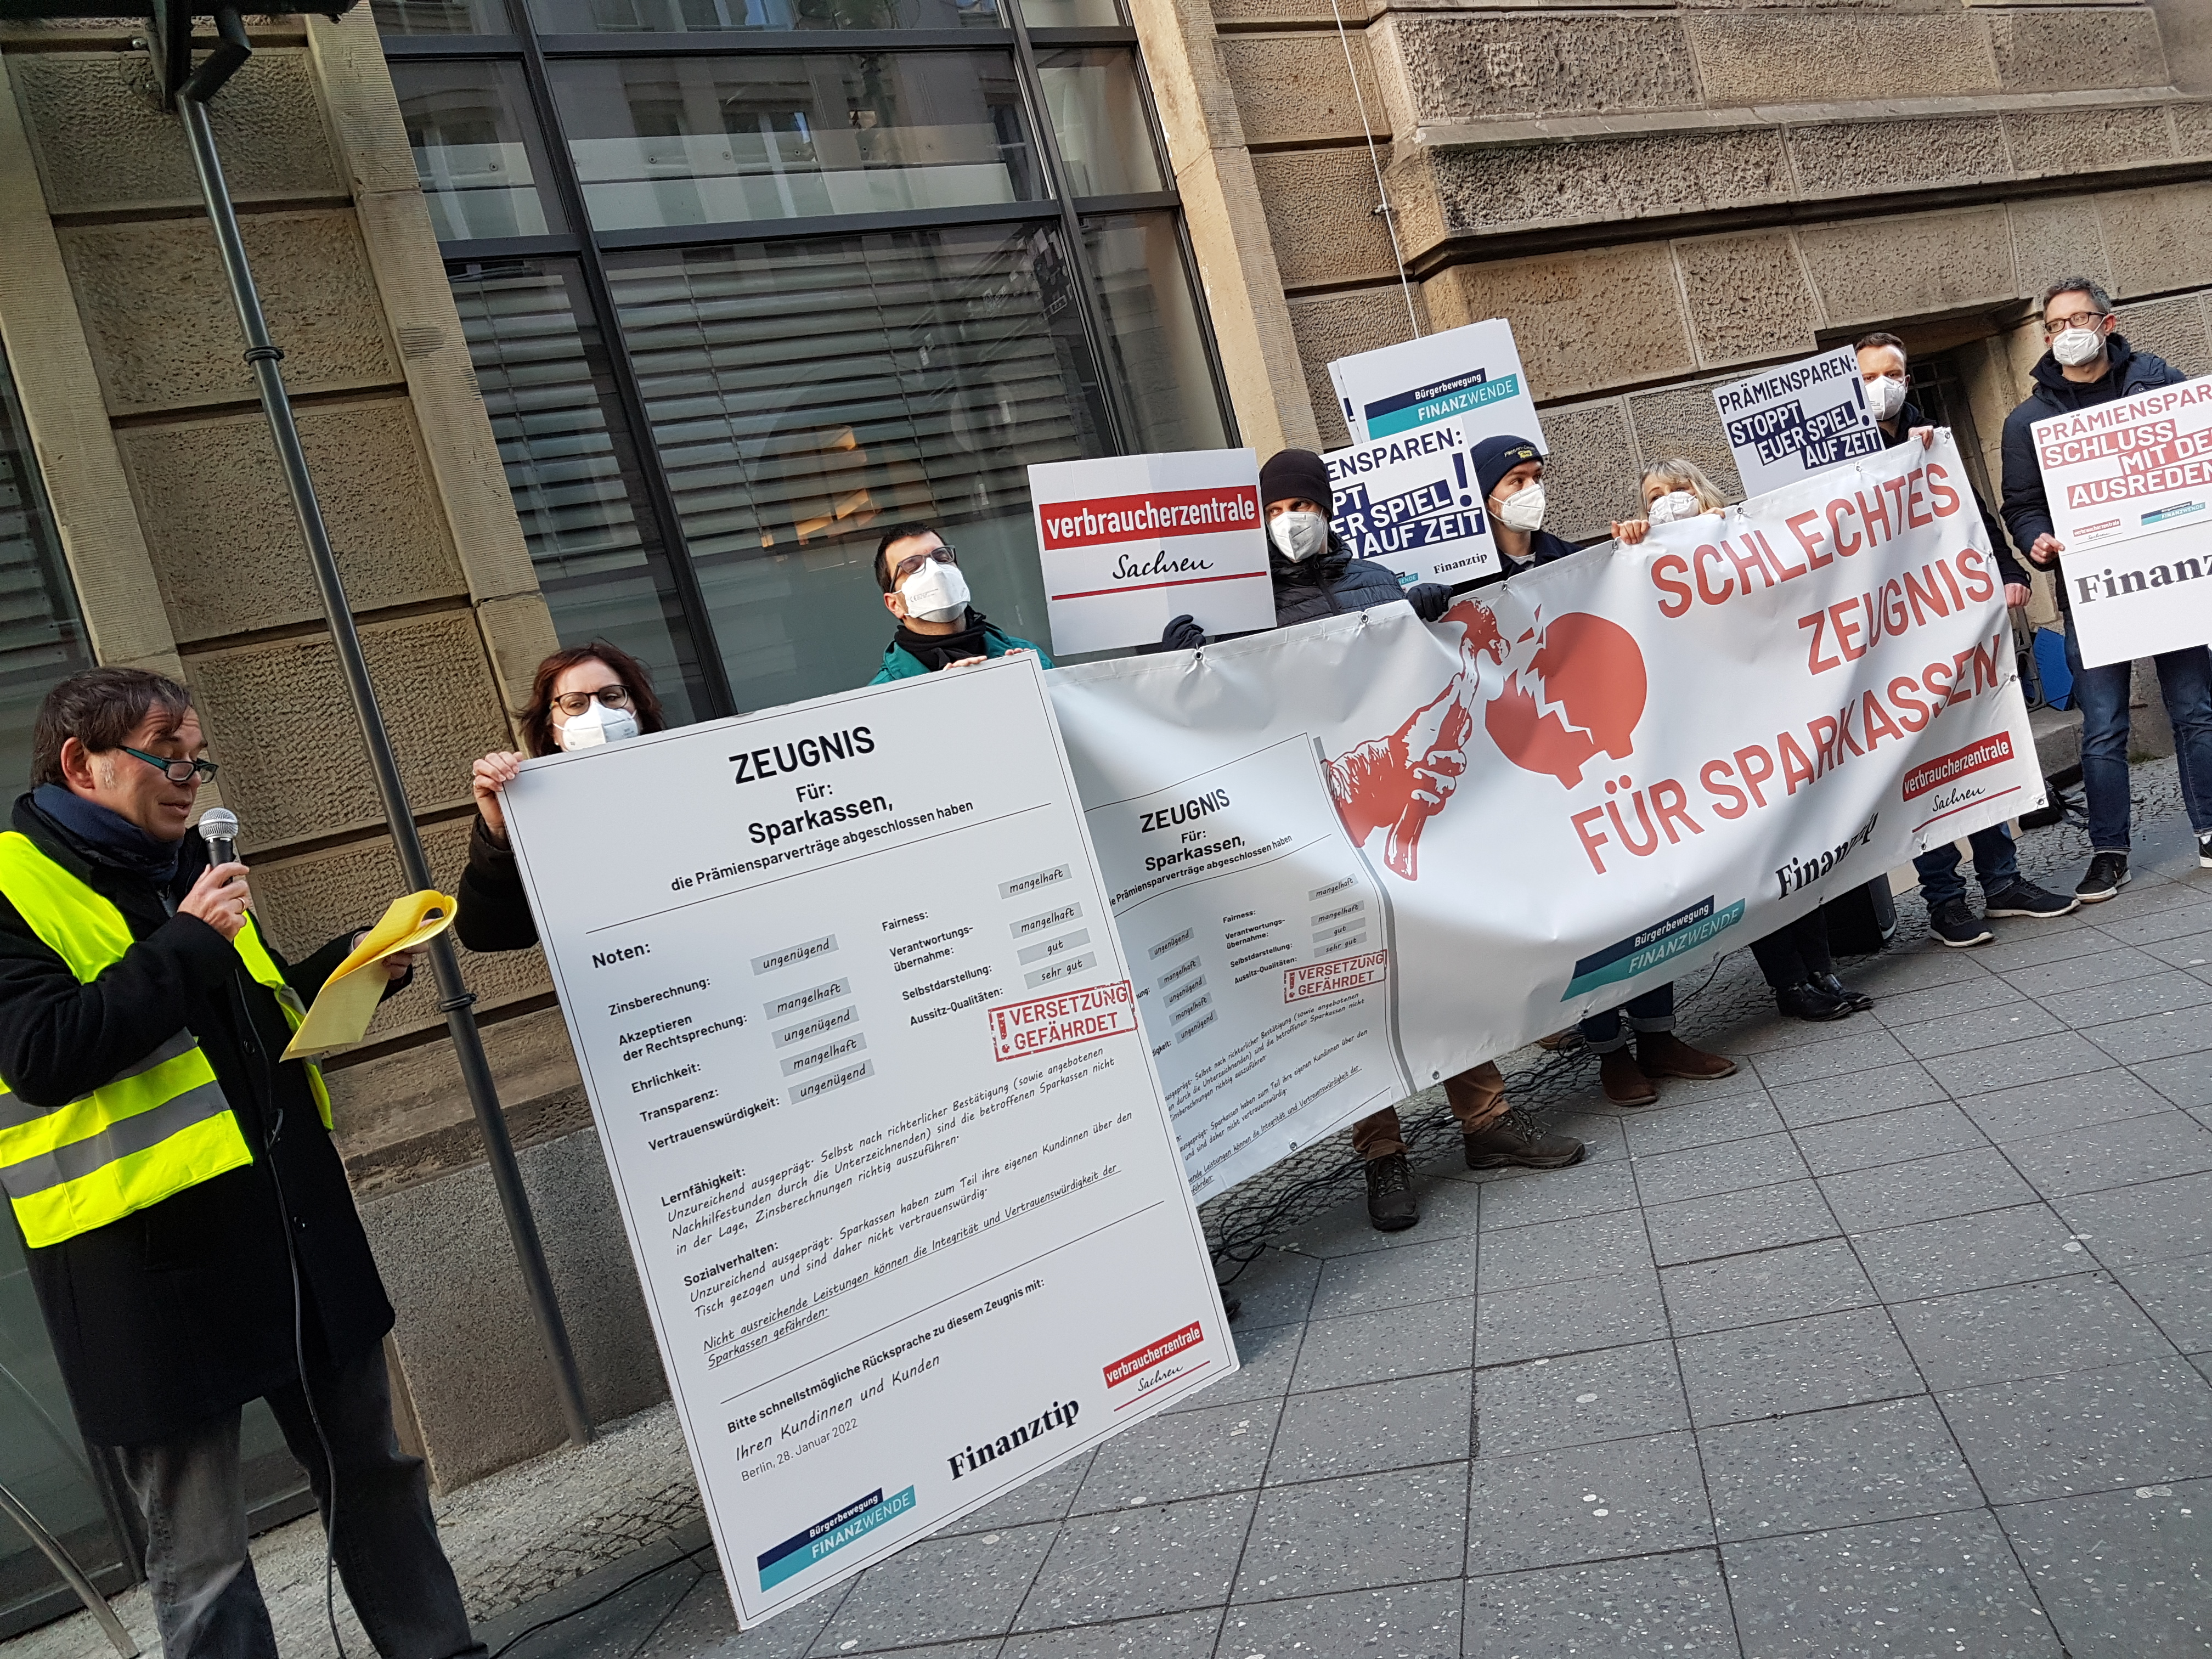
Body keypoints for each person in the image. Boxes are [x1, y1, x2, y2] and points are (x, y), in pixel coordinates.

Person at [0, 668, 478, 1659]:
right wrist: (186, 938)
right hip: (146, 1269)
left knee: (375, 1473)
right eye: (163, 753)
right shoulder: (15, 885)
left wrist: (354, 966)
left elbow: (252, 1029)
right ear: (80, 760)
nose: (188, 775)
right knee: (204, 1547)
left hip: (291, 1231)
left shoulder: (190, 870)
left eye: (195, 755)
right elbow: (44, 1053)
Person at [1176, 445, 1580, 1231]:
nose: (1293, 522)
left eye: (1304, 506)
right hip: (1314, 814)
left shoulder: (1372, 580)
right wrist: (1184, 654)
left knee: (1437, 958)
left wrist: (1421, 611)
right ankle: (1381, 1153)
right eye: (1279, 510)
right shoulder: (1239, 605)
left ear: (1328, 509)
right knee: (1354, 980)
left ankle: (1487, 1120)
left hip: (1401, 807)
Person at [1621, 460, 1874, 1021]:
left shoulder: (1743, 538)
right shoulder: (1640, 563)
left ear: (1699, 490)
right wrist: (1633, 543)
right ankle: (1790, 985)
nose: (1665, 502)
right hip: (1710, 737)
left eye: (1675, 490)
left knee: (1797, 849)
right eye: (1653, 497)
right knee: (1755, 862)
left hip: (1765, 720)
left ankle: (1821, 969)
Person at [1854, 332, 2078, 943]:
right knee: (1920, 769)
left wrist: (2008, 574)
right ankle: (1946, 901)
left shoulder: (1936, 445)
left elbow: (1976, 520)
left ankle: (2002, 881)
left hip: (1948, 630)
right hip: (1884, 647)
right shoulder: (1831, 464)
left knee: (1976, 748)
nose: (1885, 386)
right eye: (1871, 375)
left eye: (1894, 373)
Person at [2001, 279, 2212, 901]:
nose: (2069, 331)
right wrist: (2037, 541)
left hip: (2169, 584)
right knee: (2101, 727)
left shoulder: (2157, 387)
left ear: (2108, 322)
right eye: (2056, 323)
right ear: (2045, 335)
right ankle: (2109, 852)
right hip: (2094, 597)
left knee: (2196, 713)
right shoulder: (2027, 421)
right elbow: (2022, 507)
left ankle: (2211, 828)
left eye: (2080, 318)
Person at [462, 641, 669, 952]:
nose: (598, 714)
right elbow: (491, 936)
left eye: (611, 697)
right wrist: (501, 835)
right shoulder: (543, 816)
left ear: (638, 710)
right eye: (575, 704)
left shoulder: (690, 781)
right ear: (552, 730)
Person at [870, 523, 1051, 680]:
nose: (936, 572)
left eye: (941, 557)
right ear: (895, 604)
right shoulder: (884, 696)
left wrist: (1037, 687)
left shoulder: (1028, 658)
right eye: (912, 567)